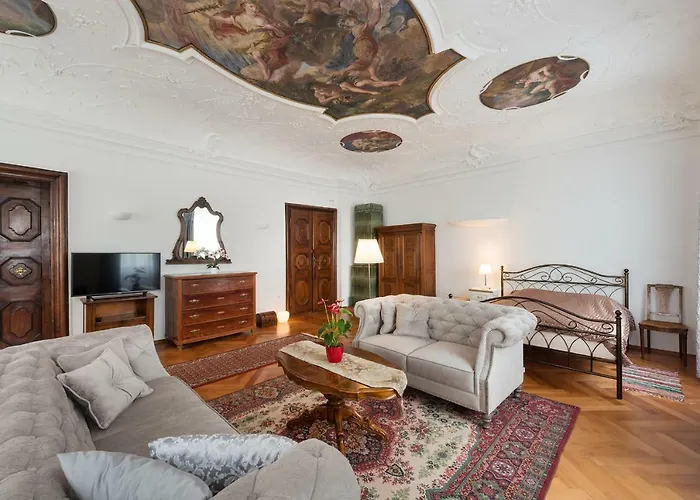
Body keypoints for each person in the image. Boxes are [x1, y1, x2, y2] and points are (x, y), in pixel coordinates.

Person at [205, 0, 290, 81]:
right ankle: (265, 73)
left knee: (257, 56)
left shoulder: (260, 20)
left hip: (262, 38)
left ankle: (266, 74)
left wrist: (272, 28)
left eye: (256, 7)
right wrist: (210, 16)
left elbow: (277, 32)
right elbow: (225, 20)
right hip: (253, 38)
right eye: (251, 6)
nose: (255, 9)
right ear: (244, 6)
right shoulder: (239, 18)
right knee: (255, 56)